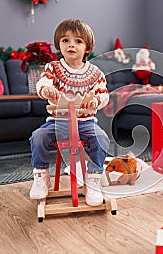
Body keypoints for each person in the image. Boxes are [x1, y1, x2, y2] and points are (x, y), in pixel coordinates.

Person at [29, 18, 110, 206]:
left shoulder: (95, 73)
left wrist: (96, 101)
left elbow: (104, 94)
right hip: (58, 121)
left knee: (101, 138)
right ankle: (41, 176)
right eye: (65, 40)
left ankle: (93, 180)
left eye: (78, 41)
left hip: (85, 122)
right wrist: (46, 90)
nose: (71, 45)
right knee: (38, 136)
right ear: (59, 44)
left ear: (87, 48)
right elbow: (43, 83)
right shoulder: (53, 68)